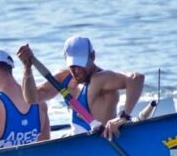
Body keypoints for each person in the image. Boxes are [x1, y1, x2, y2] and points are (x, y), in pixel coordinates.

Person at [17, 36, 145, 138]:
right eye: (73, 66)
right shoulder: (64, 77)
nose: (77, 71)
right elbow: (32, 98)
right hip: (78, 144)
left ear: (92, 56)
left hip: (103, 143)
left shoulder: (101, 79)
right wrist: (27, 68)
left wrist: (124, 117)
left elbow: (136, 78)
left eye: (81, 64)